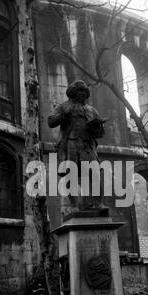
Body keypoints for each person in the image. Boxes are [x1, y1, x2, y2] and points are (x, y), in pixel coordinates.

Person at [48, 80, 106, 211]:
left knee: (95, 173)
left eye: (85, 94)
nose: (82, 96)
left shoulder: (91, 110)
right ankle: (74, 205)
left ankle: (98, 203)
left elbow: (100, 133)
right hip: (70, 144)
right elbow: (51, 121)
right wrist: (63, 116)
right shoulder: (64, 107)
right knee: (71, 174)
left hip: (87, 146)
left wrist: (97, 127)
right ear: (73, 94)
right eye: (80, 93)